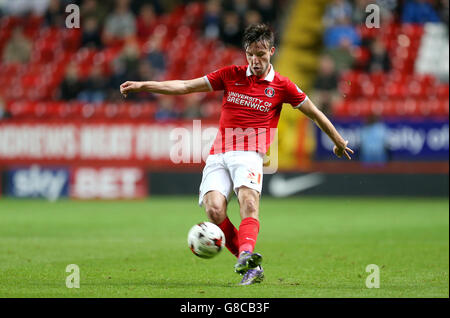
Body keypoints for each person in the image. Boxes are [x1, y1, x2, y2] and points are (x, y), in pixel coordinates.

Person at [119, 24, 353, 286]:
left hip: (249, 153)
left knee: (248, 202)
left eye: (261, 54)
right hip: (219, 153)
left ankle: (245, 254)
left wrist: (338, 141)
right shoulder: (230, 74)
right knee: (214, 210)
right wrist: (143, 85)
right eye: (250, 54)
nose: (255, 60)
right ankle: (250, 266)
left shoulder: (282, 86)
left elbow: (314, 112)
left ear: (272, 52)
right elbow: (185, 86)